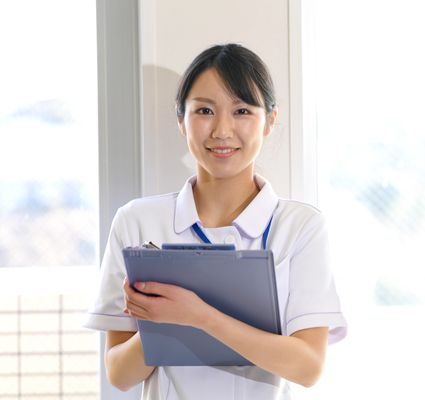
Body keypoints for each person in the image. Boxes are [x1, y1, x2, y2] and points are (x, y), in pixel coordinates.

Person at [84, 43, 347, 399]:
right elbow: (119, 373)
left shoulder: (300, 227)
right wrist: (164, 318)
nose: (222, 130)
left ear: (269, 120)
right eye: (205, 110)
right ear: (181, 120)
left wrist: (198, 316)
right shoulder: (136, 221)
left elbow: (308, 366)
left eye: (242, 111)